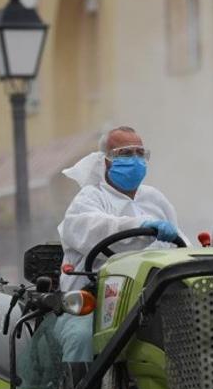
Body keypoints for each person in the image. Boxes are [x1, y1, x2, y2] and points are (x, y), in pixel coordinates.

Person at [54, 126, 188, 362]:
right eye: (125, 153)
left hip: (152, 297)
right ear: (105, 160)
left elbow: (180, 245)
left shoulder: (155, 200)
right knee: (80, 337)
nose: (134, 160)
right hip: (96, 301)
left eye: (140, 153)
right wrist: (142, 227)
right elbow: (95, 230)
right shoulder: (89, 198)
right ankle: (77, 386)